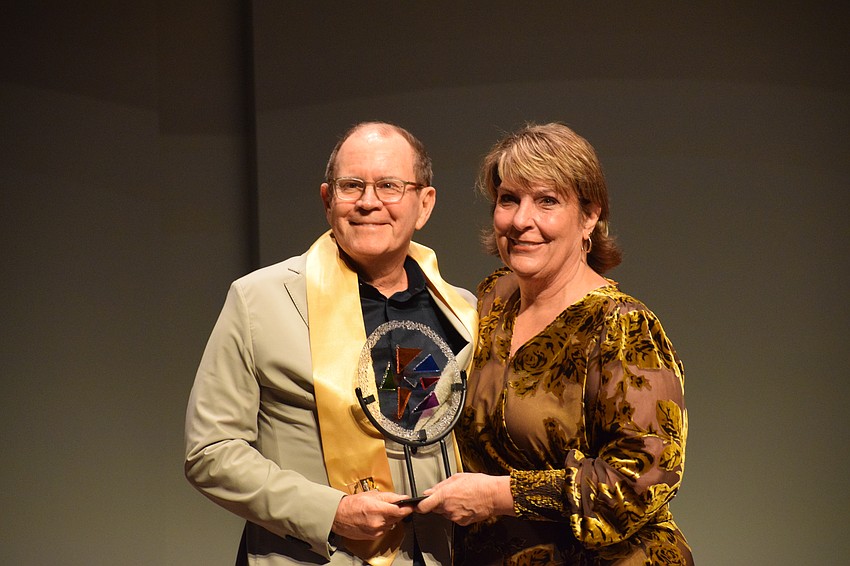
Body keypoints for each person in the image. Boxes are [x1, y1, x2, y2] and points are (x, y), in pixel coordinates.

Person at [184, 121, 478, 565]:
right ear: (328, 200)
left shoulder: (463, 312)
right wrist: (331, 512)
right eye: (351, 186)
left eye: (389, 186)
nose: (368, 202)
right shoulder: (260, 300)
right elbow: (211, 452)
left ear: (424, 204)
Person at [416, 123, 693, 565]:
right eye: (509, 199)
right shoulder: (492, 298)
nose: (521, 220)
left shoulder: (622, 326)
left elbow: (641, 480)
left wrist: (500, 496)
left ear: (589, 217)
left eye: (547, 200)